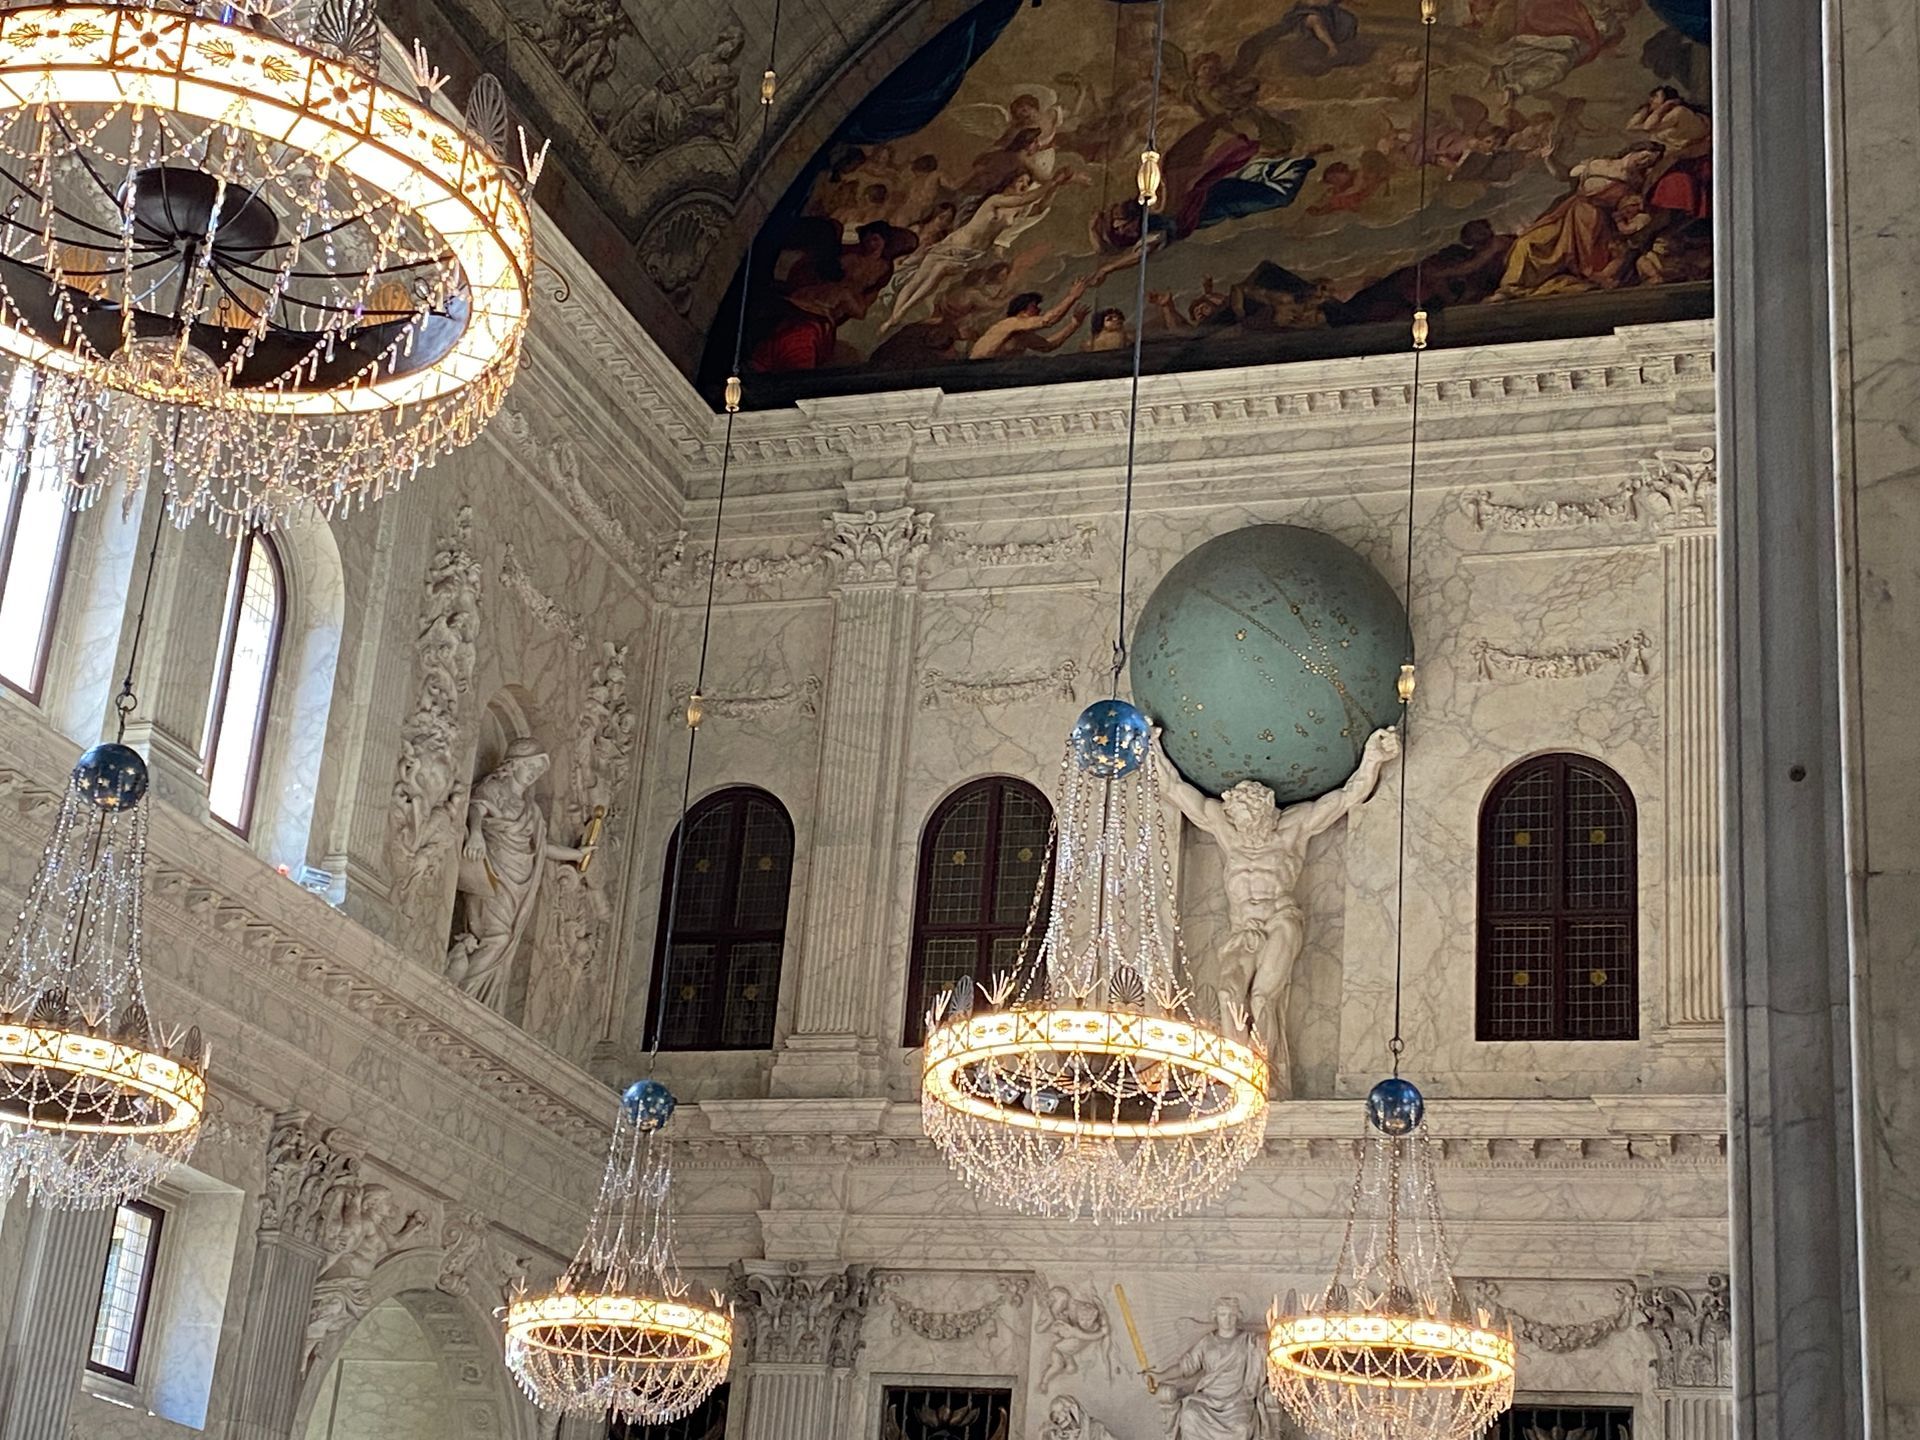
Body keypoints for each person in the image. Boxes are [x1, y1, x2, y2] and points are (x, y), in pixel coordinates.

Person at [1154, 727, 1401, 1095]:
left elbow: (1349, 796)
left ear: (1267, 810)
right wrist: (1149, 747)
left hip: (1280, 921)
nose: (1248, 826)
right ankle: (1237, 1079)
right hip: (1243, 930)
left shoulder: (1293, 828)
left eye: (1254, 817)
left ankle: (1268, 1080)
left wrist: (1373, 757)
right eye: (1240, 818)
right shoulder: (1227, 829)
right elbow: (1173, 789)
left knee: (1262, 998)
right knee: (1227, 994)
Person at [445, 738, 589, 1009]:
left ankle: (480, 998)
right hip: (494, 871)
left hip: (519, 880)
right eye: (530, 766)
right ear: (513, 765)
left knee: (504, 937)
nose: (534, 772)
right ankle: (462, 994)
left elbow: (543, 847)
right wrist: (475, 833)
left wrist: (577, 855)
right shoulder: (494, 788)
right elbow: (476, 808)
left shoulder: (531, 810)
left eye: (538, 768)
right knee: (493, 935)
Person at [1147, 1297, 1280, 1440]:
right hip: (1208, 1399)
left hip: (1237, 1402)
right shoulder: (1207, 1342)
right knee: (1189, 1416)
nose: (1227, 1320)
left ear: (1238, 1316)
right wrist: (1159, 1376)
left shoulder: (1250, 1341)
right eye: (1223, 1315)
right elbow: (1185, 1366)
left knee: (1241, 1428)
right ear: (1216, 1316)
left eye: (1231, 1315)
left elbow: (1275, 1344)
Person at [968, 282, 1091, 359]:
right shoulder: (1010, 323)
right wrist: (1072, 297)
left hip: (994, 371)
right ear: (1021, 310)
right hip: (979, 368)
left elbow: (1048, 346)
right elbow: (1047, 321)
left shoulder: (1024, 335)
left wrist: (1074, 324)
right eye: (1034, 306)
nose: (1038, 310)